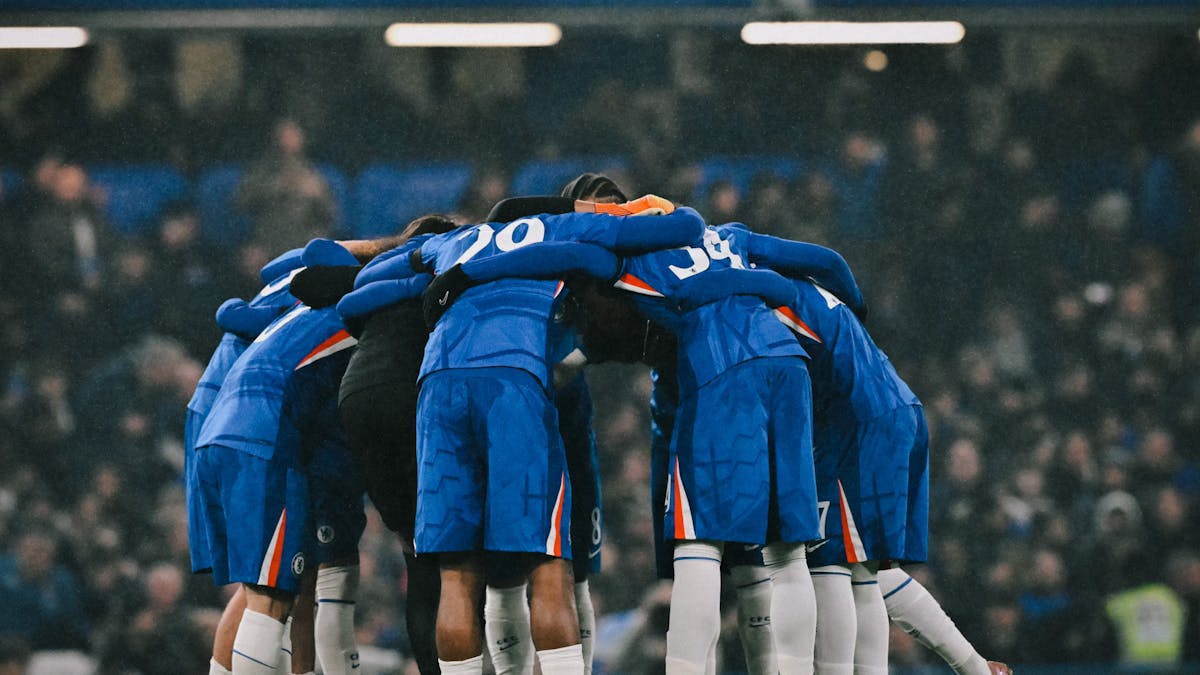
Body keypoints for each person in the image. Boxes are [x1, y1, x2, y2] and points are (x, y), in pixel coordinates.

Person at [338, 194, 696, 675]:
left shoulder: (456, 240)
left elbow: (380, 264)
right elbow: (682, 228)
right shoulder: (564, 229)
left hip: (437, 385)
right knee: (549, 565)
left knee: (455, 575)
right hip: (512, 382)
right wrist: (627, 209)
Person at [192, 239, 363, 675]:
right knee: (271, 594)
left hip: (218, 420)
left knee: (270, 584)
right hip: (262, 434)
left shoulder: (286, 310)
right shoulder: (354, 315)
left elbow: (232, 309)